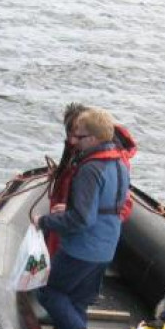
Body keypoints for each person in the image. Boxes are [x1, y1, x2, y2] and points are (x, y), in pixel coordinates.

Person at [36, 107, 131, 329]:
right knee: (77, 302)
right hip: (105, 247)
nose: (73, 141)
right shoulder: (120, 163)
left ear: (92, 138)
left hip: (82, 247)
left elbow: (82, 219)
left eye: (78, 136)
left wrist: (47, 221)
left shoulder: (90, 169)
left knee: (49, 292)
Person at [45, 103, 137, 256]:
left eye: (77, 135)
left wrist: (72, 210)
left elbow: (122, 207)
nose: (73, 140)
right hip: (66, 226)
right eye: (71, 134)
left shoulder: (109, 163)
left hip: (83, 241)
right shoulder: (79, 149)